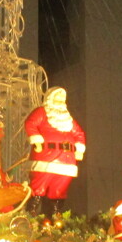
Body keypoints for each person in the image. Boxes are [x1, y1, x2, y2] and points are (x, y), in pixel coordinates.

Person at [24, 87, 85, 215]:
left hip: (66, 161)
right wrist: (36, 140)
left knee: (59, 189)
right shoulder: (42, 112)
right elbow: (31, 123)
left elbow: (79, 133)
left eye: (62, 99)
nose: (60, 101)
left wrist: (79, 149)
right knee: (38, 186)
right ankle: (31, 212)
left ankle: (54, 215)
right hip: (46, 158)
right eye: (57, 99)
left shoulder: (68, 119)